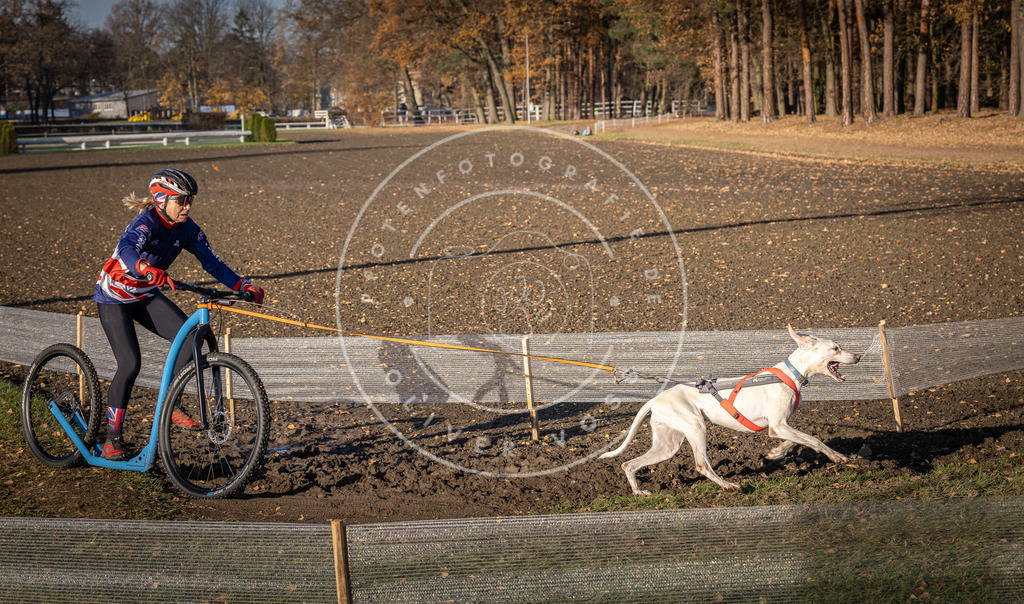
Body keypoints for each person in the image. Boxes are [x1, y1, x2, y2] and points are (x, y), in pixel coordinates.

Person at [93, 168, 265, 460]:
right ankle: (112, 439)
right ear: (161, 199)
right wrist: (145, 268)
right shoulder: (146, 223)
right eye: (181, 201)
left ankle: (169, 404)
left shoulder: (187, 229)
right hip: (114, 298)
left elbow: (213, 264)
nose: (187, 206)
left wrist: (242, 285)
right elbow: (126, 250)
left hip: (145, 295)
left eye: (190, 201)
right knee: (130, 363)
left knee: (190, 339)